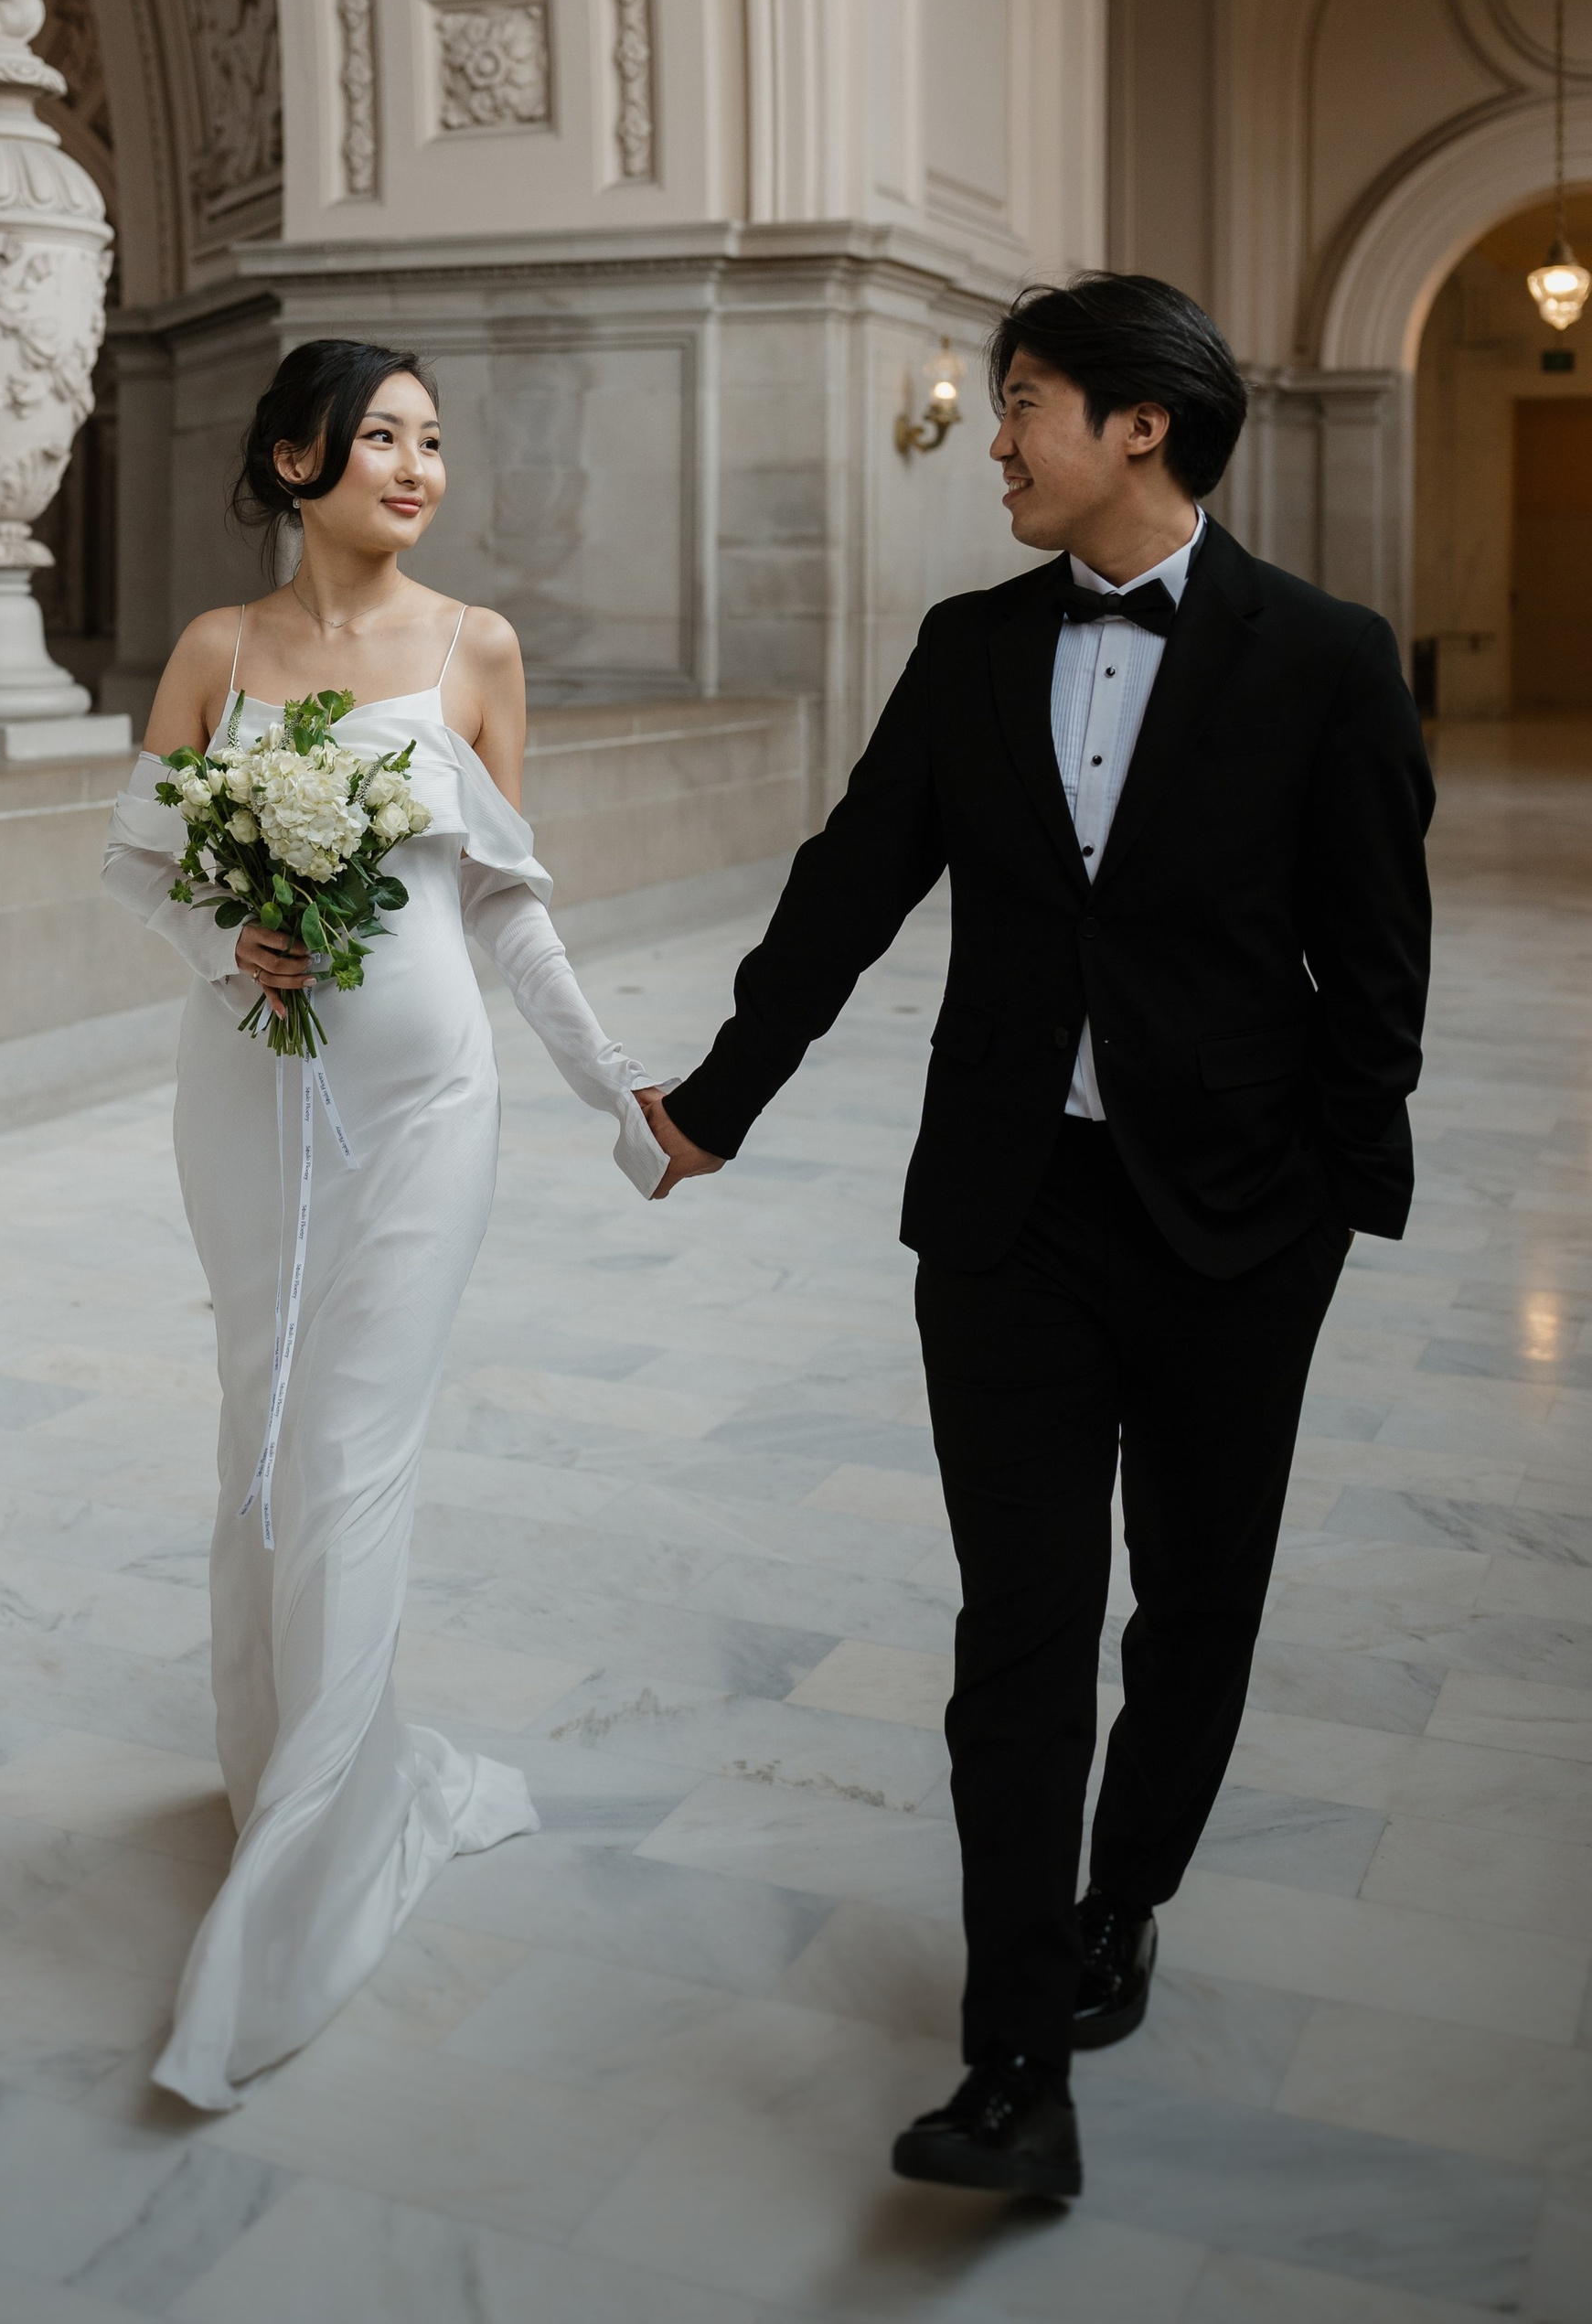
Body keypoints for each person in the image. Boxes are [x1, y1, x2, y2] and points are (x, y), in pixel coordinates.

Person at [639, 275, 1433, 2201]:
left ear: (1138, 425)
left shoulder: (1325, 660)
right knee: (1021, 1626)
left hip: (1238, 1226)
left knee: (1196, 1606)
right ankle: (1010, 2066)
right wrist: (716, 1100)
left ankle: (1121, 1897)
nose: (992, 440)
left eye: (1023, 404)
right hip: (1007, 1216)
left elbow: (1376, 973)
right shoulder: (970, 646)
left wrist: (1328, 1210)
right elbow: (847, 887)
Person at [102, 339, 665, 2109]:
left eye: (432, 442)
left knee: (350, 1449)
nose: (417, 468)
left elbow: (507, 908)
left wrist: (617, 1090)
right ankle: (284, 1770)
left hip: (428, 1109)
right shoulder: (218, 651)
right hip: (248, 1097)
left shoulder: (476, 649)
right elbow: (139, 862)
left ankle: (304, 1884)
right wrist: (229, 942)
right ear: (296, 461)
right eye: (380, 439)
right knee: (261, 1438)